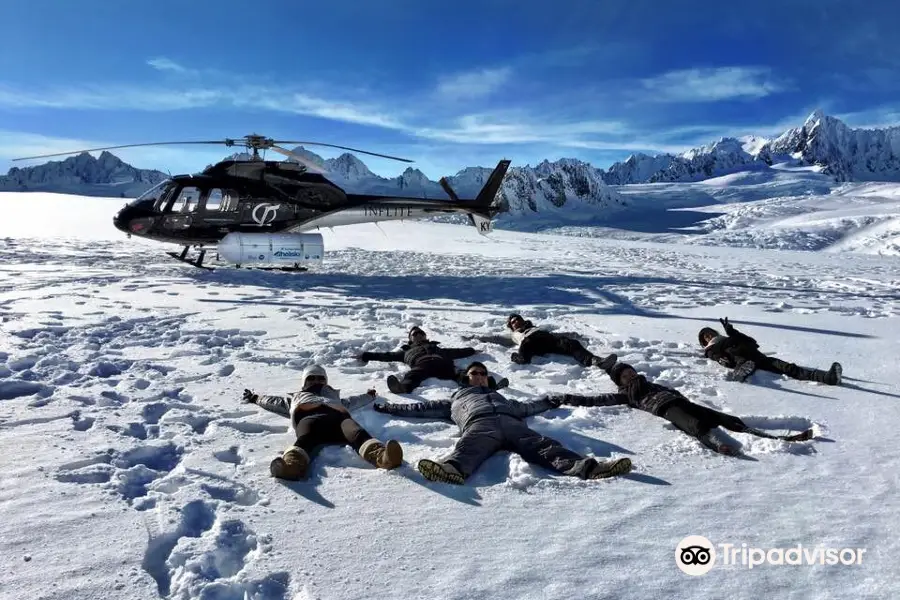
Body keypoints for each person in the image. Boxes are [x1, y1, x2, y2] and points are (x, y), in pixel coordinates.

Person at [372, 361, 633, 484]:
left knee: (545, 446)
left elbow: (528, 407)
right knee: (469, 447)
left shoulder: (500, 396)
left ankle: (589, 468)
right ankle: (451, 471)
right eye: (475, 373)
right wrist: (389, 407)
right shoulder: (455, 398)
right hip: (479, 424)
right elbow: (422, 408)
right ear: (467, 378)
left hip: (512, 423)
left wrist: (550, 401)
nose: (480, 377)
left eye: (484, 374)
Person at [551, 362, 814, 456]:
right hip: (666, 410)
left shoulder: (650, 382)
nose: (629, 374)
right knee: (694, 426)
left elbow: (673, 391)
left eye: (629, 370)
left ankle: (770, 436)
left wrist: (677, 395)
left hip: (681, 402)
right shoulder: (626, 396)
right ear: (619, 381)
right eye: (623, 374)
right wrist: (568, 398)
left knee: (725, 417)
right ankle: (717, 445)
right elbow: (596, 400)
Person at [242, 364, 403, 480]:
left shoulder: (334, 396)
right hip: (309, 418)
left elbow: (354, 401)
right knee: (305, 440)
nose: (316, 380)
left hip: (339, 419)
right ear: (304, 383)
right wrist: (256, 398)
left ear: (325, 381)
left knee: (357, 432)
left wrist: (369, 396)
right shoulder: (297, 398)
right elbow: (274, 402)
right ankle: (291, 467)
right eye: (311, 378)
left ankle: (383, 457)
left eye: (320, 378)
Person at [357, 326, 508, 393]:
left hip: (443, 364)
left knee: (460, 374)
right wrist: (366, 355)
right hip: (422, 365)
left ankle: (485, 386)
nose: (418, 335)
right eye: (414, 334)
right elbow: (386, 355)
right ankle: (402, 388)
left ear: (425, 335)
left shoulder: (438, 348)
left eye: (420, 333)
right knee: (413, 375)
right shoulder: (405, 351)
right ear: (410, 339)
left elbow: (456, 352)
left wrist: (472, 350)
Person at [698, 318, 842, 385]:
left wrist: (732, 332)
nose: (709, 335)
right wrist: (731, 363)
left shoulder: (729, 337)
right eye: (705, 336)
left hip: (759, 358)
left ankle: (828, 378)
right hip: (741, 359)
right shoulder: (710, 350)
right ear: (704, 342)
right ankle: (740, 372)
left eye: (709, 332)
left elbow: (751, 341)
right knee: (742, 360)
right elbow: (720, 359)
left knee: (790, 368)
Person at [472, 313, 617, 368]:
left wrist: (575, 335)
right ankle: (522, 359)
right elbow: (495, 339)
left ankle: (595, 361)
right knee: (527, 343)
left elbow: (557, 334)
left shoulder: (536, 327)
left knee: (571, 344)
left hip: (548, 340)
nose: (516, 322)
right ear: (511, 326)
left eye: (517, 319)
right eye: (513, 321)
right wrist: (476, 338)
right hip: (531, 344)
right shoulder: (512, 336)